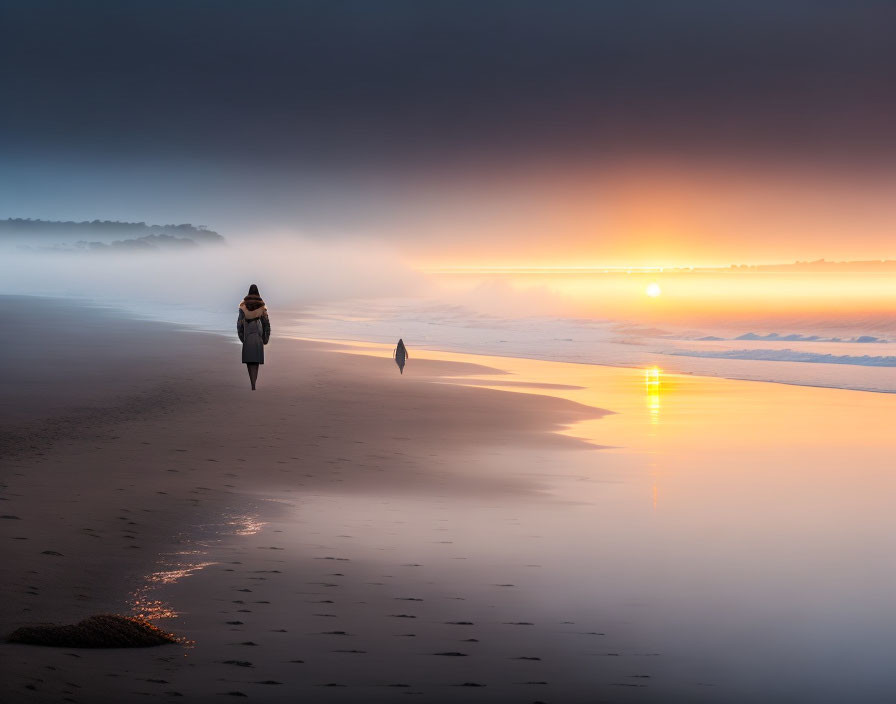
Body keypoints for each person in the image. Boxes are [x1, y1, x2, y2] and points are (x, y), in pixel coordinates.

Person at [237, 284, 271, 390]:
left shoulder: (242, 307)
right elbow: (266, 324)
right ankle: (254, 383)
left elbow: (239, 325)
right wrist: (265, 339)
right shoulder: (262, 307)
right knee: (255, 362)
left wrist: (242, 338)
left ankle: (252, 382)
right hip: (258, 337)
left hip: (248, 337)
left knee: (249, 361)